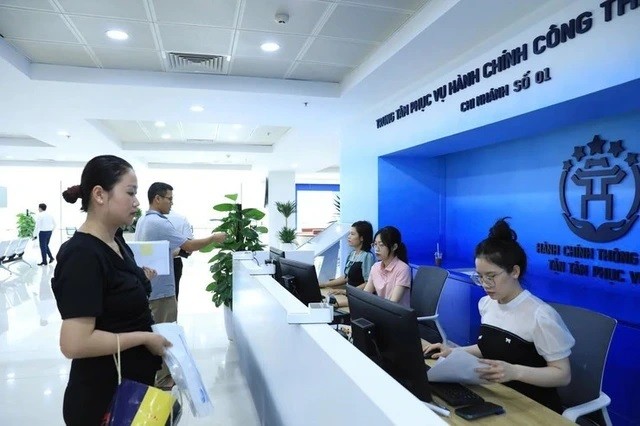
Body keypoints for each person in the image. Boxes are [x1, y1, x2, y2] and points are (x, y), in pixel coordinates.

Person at [51, 155, 171, 425]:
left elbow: (114, 291)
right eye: (130, 192)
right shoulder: (82, 254)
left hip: (133, 389)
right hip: (104, 399)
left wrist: (139, 279)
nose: (137, 202)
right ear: (99, 195)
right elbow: (74, 343)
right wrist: (144, 338)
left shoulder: (116, 241)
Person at [424, 218, 575, 413]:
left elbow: (562, 375)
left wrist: (515, 371)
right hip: (498, 393)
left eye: (491, 276)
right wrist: (453, 352)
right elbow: (489, 347)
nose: (485, 284)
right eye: (480, 276)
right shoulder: (487, 304)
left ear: (515, 271)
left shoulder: (540, 315)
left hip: (533, 405)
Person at [134, 182, 226, 389]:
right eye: (169, 199)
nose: (171, 203)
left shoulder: (143, 221)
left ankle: (158, 375)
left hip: (150, 287)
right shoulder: (159, 222)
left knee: (156, 330)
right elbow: (189, 244)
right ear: (157, 199)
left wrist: (173, 251)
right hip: (161, 291)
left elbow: (157, 250)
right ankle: (163, 379)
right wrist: (213, 237)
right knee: (164, 331)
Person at [363, 226, 412, 307]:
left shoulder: (403, 269)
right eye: (375, 244)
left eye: (381, 245)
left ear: (394, 247)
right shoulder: (375, 267)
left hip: (395, 313)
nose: (376, 249)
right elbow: (365, 295)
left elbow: (392, 304)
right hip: (381, 310)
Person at [320, 221, 375, 290]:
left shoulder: (367, 256)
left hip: (357, 295)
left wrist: (347, 292)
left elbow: (368, 283)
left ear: (362, 238)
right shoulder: (352, 254)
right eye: (349, 234)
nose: (349, 237)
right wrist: (325, 284)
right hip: (350, 293)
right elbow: (346, 277)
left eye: (352, 234)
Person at [165, 211, 193, 301]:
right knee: (172, 298)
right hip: (174, 262)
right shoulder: (180, 219)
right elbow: (189, 249)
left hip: (149, 263)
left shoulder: (143, 219)